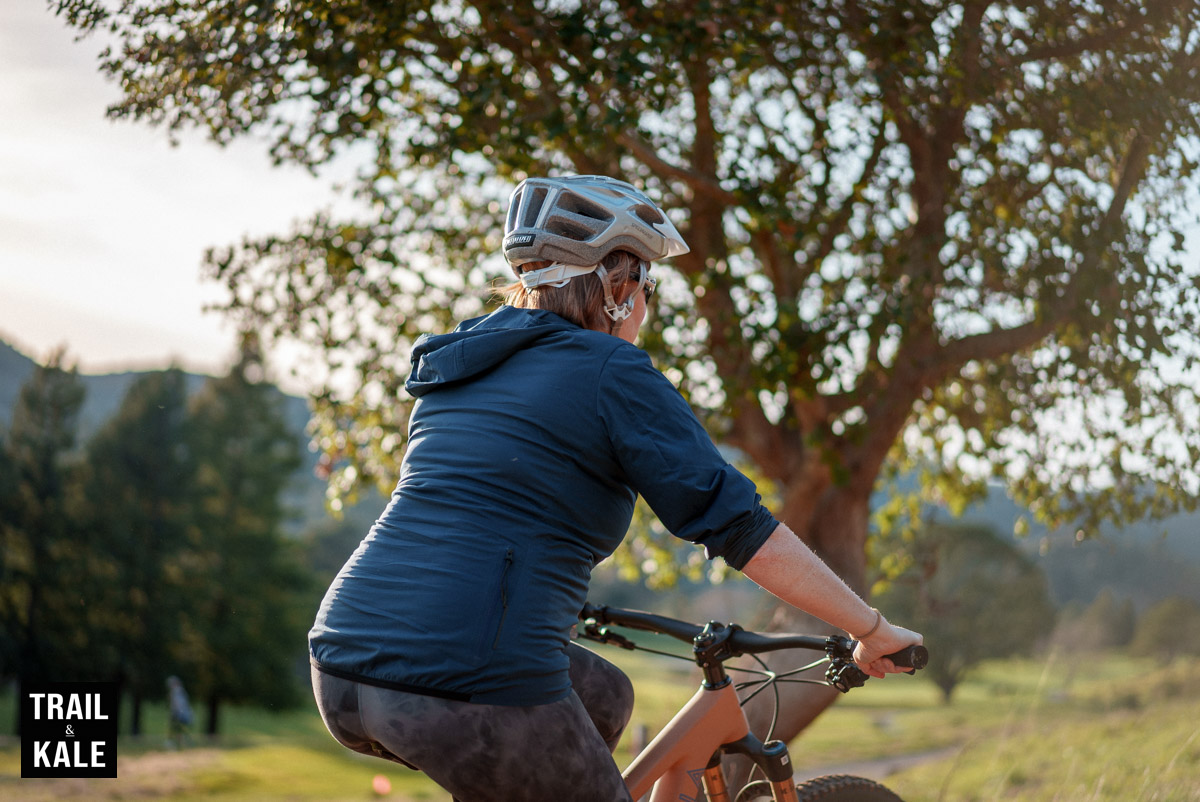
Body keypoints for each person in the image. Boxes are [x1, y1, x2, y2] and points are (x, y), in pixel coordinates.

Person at [308, 175, 922, 802]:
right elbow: (739, 525)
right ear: (617, 287)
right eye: (647, 285)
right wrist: (870, 627)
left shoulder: (466, 367)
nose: (646, 304)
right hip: (462, 668)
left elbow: (485, 515)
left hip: (345, 658)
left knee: (606, 697)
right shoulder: (611, 371)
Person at [166, 675, 193, 748]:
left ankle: (173, 742)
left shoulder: (177, 691)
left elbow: (178, 704)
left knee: (176, 729)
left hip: (179, 713)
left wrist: (177, 713)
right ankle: (180, 742)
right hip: (181, 713)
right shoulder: (181, 691)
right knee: (178, 729)